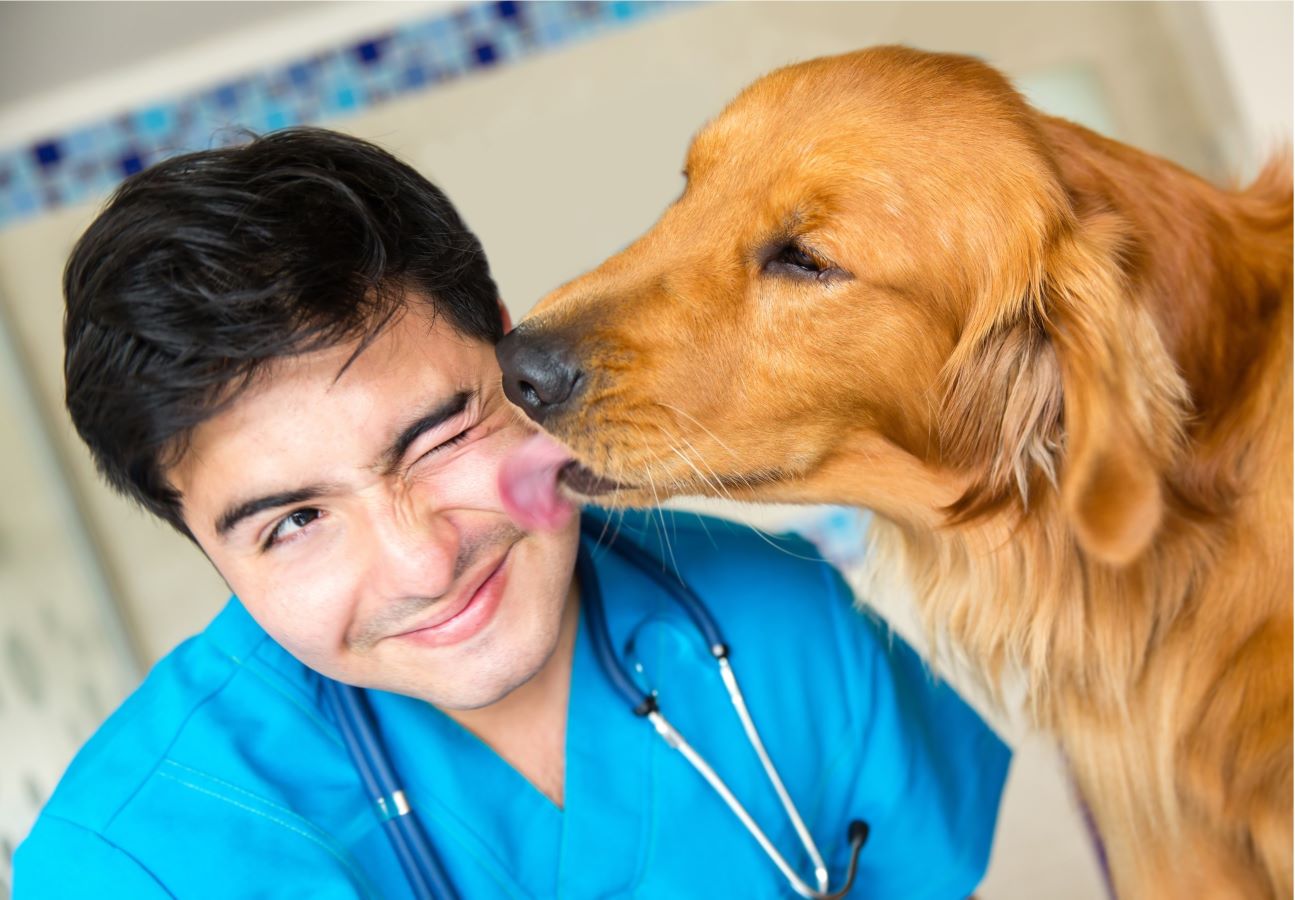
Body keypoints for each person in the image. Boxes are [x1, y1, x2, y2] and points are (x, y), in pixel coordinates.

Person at [15, 128, 1009, 898]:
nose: (421, 562)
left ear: (506, 352)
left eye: (438, 439)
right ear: (198, 540)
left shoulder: (782, 619)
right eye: (295, 522)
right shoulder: (131, 864)